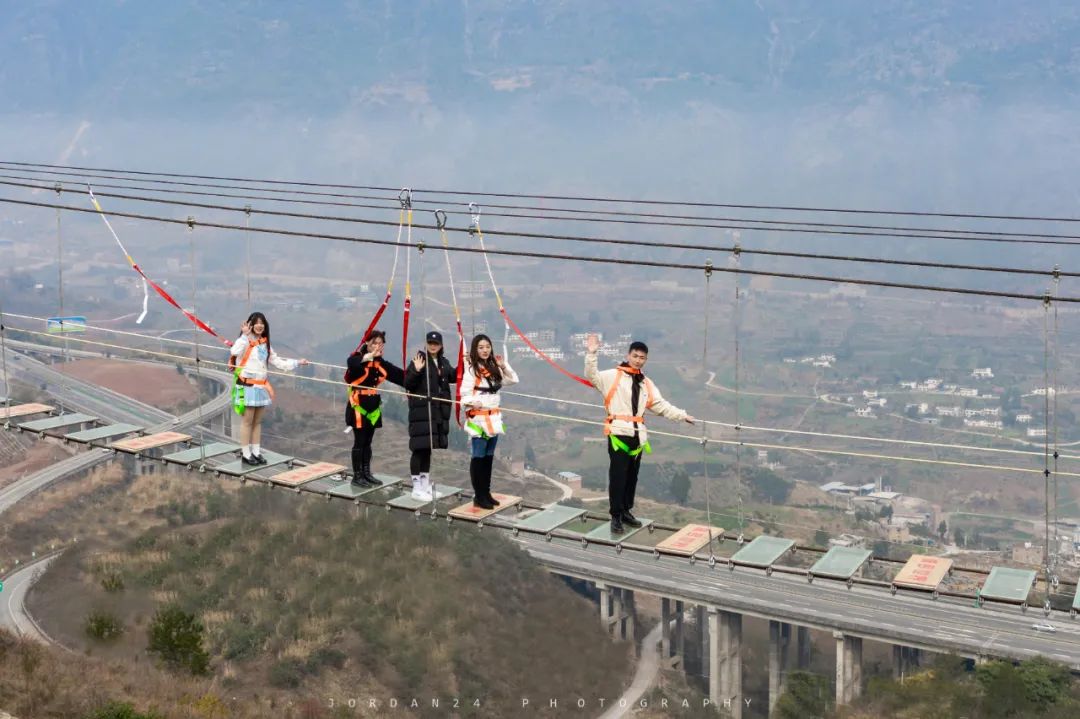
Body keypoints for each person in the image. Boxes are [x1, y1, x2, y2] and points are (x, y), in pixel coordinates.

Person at [585, 334, 694, 534]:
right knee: (618, 476)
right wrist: (592, 354)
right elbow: (592, 376)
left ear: (646, 360)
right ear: (628, 355)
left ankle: (626, 510)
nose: (638, 360)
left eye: (642, 358)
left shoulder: (646, 383)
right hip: (618, 432)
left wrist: (681, 415)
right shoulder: (613, 376)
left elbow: (660, 405)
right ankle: (615, 516)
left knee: (631, 476)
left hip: (638, 434)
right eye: (635, 356)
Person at [230, 311, 309, 465]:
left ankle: (256, 452)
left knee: (257, 421)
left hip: (260, 387)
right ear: (251, 324)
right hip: (247, 386)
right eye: (256, 322)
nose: (259, 325)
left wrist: (297, 363)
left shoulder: (265, 344)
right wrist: (245, 336)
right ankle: (246, 454)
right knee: (247, 421)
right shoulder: (244, 341)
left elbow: (277, 361)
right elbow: (234, 351)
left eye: (262, 322)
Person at [460, 333, 519, 509]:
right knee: (478, 457)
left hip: (493, 418)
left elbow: (513, 380)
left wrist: (503, 365)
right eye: (481, 347)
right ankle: (479, 495)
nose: (485, 350)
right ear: (475, 350)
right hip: (478, 419)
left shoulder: (494, 368)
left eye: (487, 347)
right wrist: (473, 402)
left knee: (489, 457)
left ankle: (486, 492)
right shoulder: (471, 370)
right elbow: (463, 396)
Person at [344, 330, 406, 487]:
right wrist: (369, 356)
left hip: (372, 405)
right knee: (359, 441)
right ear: (367, 344)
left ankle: (366, 472)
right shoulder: (358, 358)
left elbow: (400, 376)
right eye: (374, 343)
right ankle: (357, 476)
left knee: (368, 442)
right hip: (358, 405)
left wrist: (418, 376)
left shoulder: (380, 364)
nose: (378, 346)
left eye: (380, 343)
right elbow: (352, 363)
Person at [403, 331, 457, 500]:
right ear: (426, 344)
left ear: (441, 346)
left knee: (428, 449)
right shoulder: (419, 359)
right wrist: (417, 371)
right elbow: (408, 383)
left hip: (436, 413)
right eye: (430, 343)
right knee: (419, 449)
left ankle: (425, 486)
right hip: (422, 412)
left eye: (436, 343)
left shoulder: (443, 362)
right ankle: (416, 487)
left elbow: (453, 377)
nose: (433, 346)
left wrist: (465, 362)